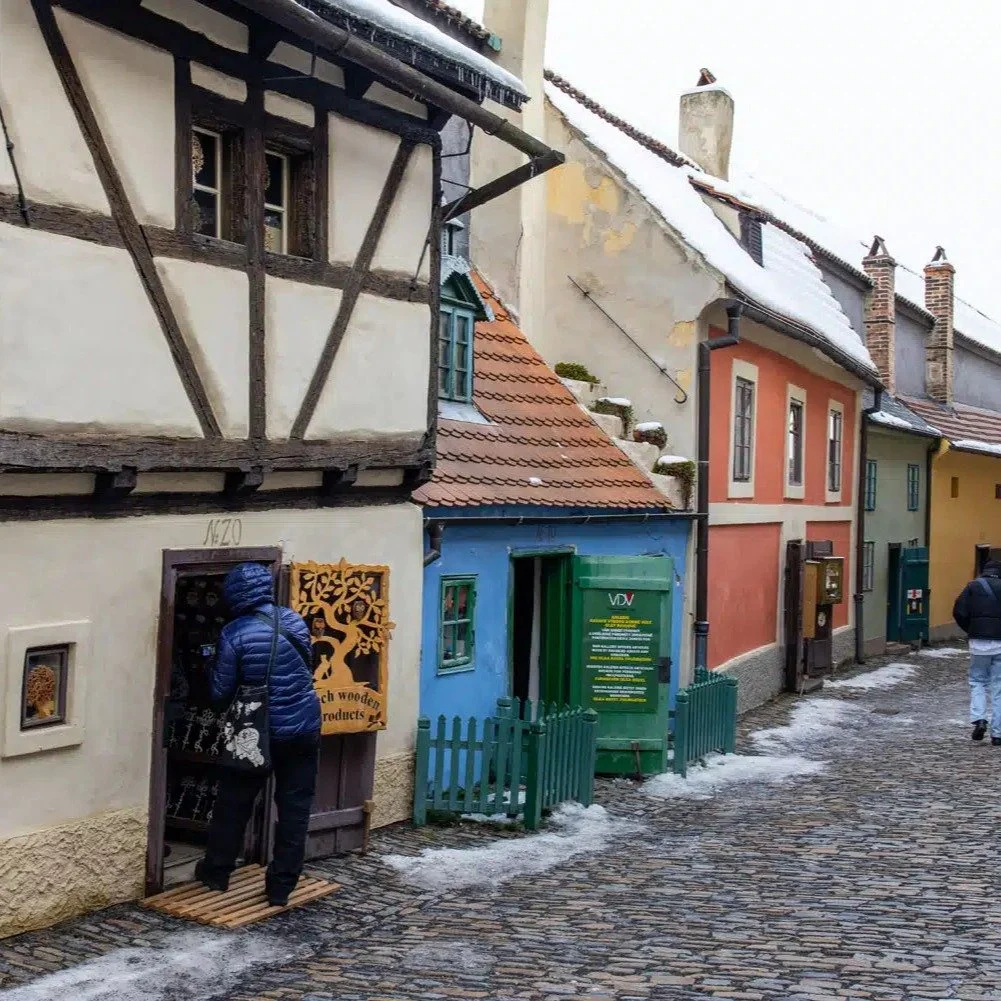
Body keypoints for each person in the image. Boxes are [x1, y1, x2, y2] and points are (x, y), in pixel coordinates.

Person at [195, 562, 321, 906]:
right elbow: (305, 667)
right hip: (303, 727)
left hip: (258, 730)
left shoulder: (234, 633)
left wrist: (208, 664)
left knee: (234, 802)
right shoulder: (294, 621)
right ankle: (281, 886)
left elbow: (220, 692)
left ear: (234, 595)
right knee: (294, 808)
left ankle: (217, 872)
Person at [952, 559, 1001, 745]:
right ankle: (998, 734)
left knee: (978, 681)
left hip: (978, 644)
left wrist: (972, 629)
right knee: (999, 687)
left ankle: (979, 719)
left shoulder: (973, 587)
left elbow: (959, 611)